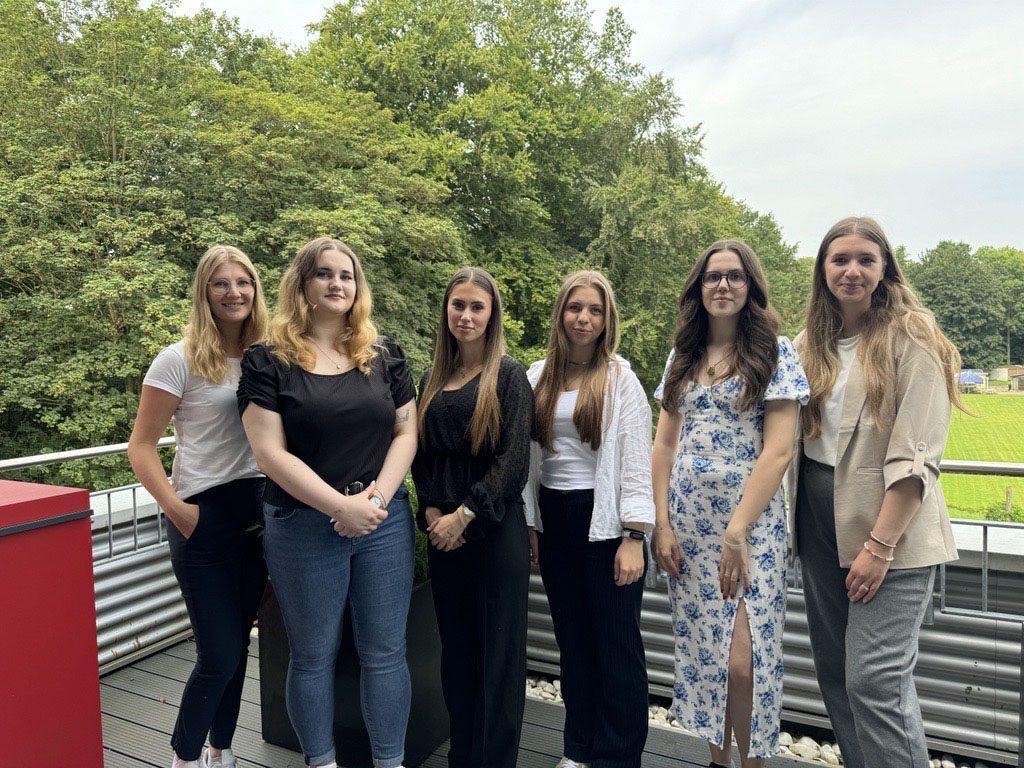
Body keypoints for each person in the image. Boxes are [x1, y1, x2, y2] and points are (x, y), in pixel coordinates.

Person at [237, 237, 418, 768]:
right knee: (313, 655)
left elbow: (406, 433)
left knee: (386, 653)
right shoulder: (267, 361)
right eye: (324, 274)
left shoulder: (384, 354)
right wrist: (340, 507)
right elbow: (269, 453)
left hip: (383, 521)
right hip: (302, 525)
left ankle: (390, 763)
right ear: (302, 284)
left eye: (347, 275)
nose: (337, 284)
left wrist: (373, 500)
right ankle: (321, 762)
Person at [790, 216, 961, 768]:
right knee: (836, 673)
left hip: (892, 527)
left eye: (865, 259)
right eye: (840, 259)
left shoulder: (913, 336)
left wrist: (880, 546)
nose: (852, 270)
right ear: (823, 270)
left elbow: (916, 458)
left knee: (875, 679)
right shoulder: (808, 345)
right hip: (817, 520)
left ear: (885, 268)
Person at [651, 240, 809, 768]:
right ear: (699, 288)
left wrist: (737, 531)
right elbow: (664, 445)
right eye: (713, 276)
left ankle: (752, 763)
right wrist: (661, 524)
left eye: (735, 276)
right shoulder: (683, 356)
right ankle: (718, 761)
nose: (723, 285)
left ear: (751, 286)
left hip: (749, 529)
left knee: (745, 662)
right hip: (688, 530)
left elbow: (779, 449)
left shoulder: (774, 353)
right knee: (706, 657)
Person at [128, 245, 269, 768]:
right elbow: (141, 446)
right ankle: (184, 758)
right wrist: (178, 511)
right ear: (204, 292)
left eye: (243, 282)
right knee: (218, 655)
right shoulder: (178, 359)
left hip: (258, 515)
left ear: (255, 290)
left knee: (239, 649)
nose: (234, 293)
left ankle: (222, 751)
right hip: (201, 518)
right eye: (221, 284)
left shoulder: (267, 356)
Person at [522, 270, 654, 768]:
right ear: (561, 313)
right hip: (555, 520)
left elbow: (637, 460)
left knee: (616, 649)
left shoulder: (620, 379)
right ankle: (577, 750)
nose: (584, 318)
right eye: (575, 307)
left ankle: (617, 758)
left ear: (607, 320)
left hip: (607, 524)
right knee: (573, 644)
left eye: (595, 310)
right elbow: (527, 460)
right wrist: (531, 522)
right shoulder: (537, 376)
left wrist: (634, 535)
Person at [410, 267, 534, 768]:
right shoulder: (432, 378)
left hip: (494, 532)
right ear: (446, 310)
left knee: (498, 659)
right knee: (457, 655)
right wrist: (432, 510)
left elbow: (514, 460)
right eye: (458, 305)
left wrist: (465, 514)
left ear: (491, 314)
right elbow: (420, 453)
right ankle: (461, 757)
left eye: (476, 307)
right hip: (443, 534)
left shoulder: (509, 375)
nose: (466, 315)